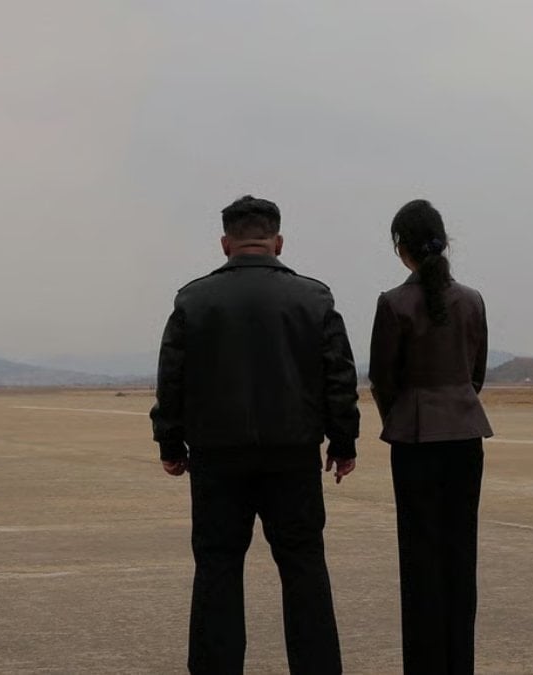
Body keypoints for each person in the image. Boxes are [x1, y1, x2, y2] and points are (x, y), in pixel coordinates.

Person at [151, 195, 360, 675]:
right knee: (304, 567)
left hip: (217, 458)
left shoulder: (193, 300)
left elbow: (172, 378)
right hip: (293, 456)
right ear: (278, 241)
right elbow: (339, 377)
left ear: (225, 243)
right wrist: (343, 442)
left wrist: (170, 443)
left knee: (218, 568)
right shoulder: (314, 298)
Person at [369, 199, 493, 674]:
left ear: (402, 248)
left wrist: (401, 416)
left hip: (415, 439)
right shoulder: (473, 300)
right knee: (461, 556)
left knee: (419, 560)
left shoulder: (393, 303)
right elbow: (475, 373)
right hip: (465, 436)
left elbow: (383, 378)